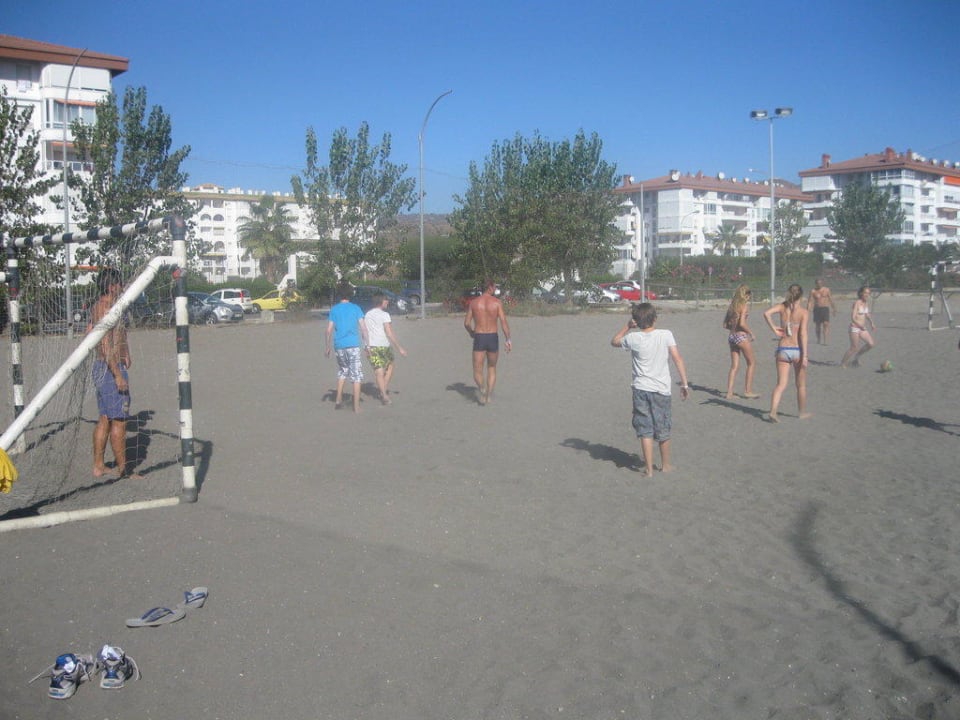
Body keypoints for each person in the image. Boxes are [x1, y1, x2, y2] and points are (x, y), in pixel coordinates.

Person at [611, 302, 690, 477]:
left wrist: (627, 327)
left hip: (640, 389)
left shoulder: (633, 338)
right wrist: (684, 383)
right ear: (655, 319)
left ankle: (648, 469)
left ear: (636, 321)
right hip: (661, 390)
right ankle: (666, 465)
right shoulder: (665, 334)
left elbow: (614, 341)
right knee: (663, 427)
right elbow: (677, 359)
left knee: (644, 428)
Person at [90, 268, 139, 478]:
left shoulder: (112, 307)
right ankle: (124, 470)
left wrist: (126, 351)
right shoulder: (104, 307)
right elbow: (104, 343)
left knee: (104, 418)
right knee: (119, 420)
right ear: (111, 286)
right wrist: (117, 374)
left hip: (108, 366)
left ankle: (99, 465)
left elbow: (118, 334)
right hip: (109, 369)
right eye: (119, 284)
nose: (122, 287)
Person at [762, 284, 811, 423]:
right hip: (797, 350)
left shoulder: (782, 307)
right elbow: (803, 334)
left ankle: (773, 411)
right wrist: (805, 355)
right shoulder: (803, 312)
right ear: (801, 296)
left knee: (781, 384)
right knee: (800, 385)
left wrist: (774, 329)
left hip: (783, 349)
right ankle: (801, 413)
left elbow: (766, 313)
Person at [464, 279, 511, 405]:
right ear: (490, 287)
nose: (495, 289)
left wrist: (471, 332)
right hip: (492, 337)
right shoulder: (497, 303)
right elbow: (503, 322)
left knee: (477, 370)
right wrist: (508, 339)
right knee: (492, 367)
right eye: (494, 287)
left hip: (479, 336)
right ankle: (488, 396)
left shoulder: (474, 303)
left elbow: (467, 323)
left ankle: (482, 388)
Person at [325, 283, 368, 412]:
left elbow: (328, 330)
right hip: (353, 344)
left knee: (343, 371)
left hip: (339, 345)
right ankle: (356, 406)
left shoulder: (334, 309)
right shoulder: (356, 308)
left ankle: (338, 399)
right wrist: (367, 345)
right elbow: (364, 328)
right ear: (350, 294)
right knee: (356, 375)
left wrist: (327, 346)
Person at [364, 293, 407, 405]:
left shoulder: (367, 314)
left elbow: (365, 332)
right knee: (388, 367)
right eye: (385, 300)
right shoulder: (385, 315)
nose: (387, 302)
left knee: (380, 370)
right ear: (380, 302)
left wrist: (365, 346)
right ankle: (384, 394)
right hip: (384, 345)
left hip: (372, 346)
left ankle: (383, 390)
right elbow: (389, 333)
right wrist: (399, 347)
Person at [722, 284, 759, 400]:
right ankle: (748, 391)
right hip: (740, 337)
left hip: (731, 337)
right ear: (746, 295)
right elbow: (742, 323)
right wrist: (750, 332)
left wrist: (734, 327)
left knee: (734, 366)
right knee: (751, 363)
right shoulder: (744, 306)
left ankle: (729, 393)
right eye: (749, 295)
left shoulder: (732, 306)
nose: (749, 298)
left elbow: (725, 325)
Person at [840, 286, 877, 368]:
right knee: (854, 347)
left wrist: (871, 323)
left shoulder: (866, 303)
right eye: (865, 293)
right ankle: (843, 363)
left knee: (871, 344)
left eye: (868, 293)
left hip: (862, 328)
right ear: (861, 293)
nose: (867, 295)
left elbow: (867, 314)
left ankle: (856, 357)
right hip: (855, 328)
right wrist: (860, 326)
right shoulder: (857, 303)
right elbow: (853, 318)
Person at [807, 278, 837, 345]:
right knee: (818, 325)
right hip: (817, 309)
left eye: (820, 283)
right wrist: (807, 310)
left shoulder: (826, 290)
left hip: (825, 308)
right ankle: (818, 339)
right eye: (818, 283)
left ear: (822, 283)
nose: (819, 284)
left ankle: (825, 340)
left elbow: (831, 299)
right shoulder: (813, 291)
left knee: (826, 324)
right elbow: (810, 301)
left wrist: (834, 308)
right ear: (816, 284)